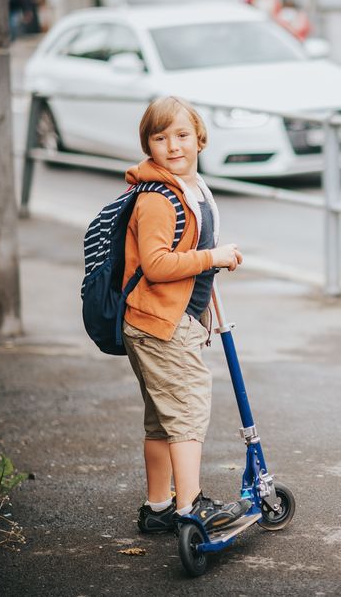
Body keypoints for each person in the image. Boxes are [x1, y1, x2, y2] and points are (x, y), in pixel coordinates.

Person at [123, 96, 250, 533]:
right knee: (187, 412)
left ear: (199, 137)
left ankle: (158, 507)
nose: (173, 146)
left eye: (181, 135)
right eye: (160, 138)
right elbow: (156, 265)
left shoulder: (192, 187)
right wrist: (211, 256)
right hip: (161, 324)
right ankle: (190, 507)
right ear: (148, 145)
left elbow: (189, 252)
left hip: (169, 321)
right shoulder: (157, 198)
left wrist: (208, 270)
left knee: (161, 419)